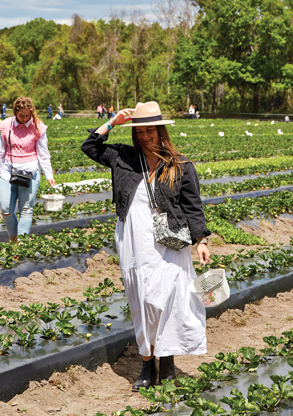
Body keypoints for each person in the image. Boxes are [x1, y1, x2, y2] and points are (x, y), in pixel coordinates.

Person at [82, 100, 211, 390]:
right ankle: (146, 363)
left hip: (170, 242)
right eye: (139, 132)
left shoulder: (180, 166)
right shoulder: (124, 158)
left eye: (150, 131)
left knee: (168, 299)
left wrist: (201, 240)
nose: (144, 137)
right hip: (134, 240)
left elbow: (193, 206)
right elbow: (90, 147)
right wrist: (112, 122)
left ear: (161, 131)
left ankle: (167, 364)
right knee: (141, 299)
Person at [0, 97, 56, 242]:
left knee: (26, 209)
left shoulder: (38, 127)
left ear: (31, 112)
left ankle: (20, 243)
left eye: (27, 115)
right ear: (15, 112)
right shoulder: (6, 125)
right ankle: (13, 238)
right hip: (8, 171)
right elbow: (1, 150)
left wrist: (48, 174)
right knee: (5, 209)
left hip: (30, 172)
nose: (24, 118)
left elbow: (43, 153)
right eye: (21, 115)